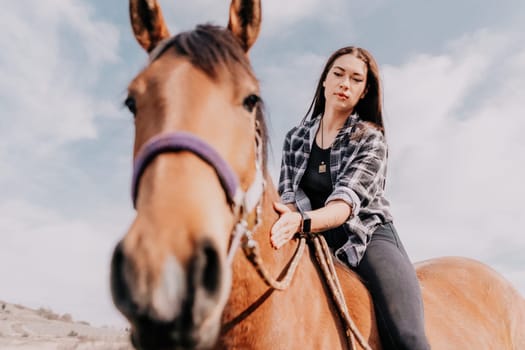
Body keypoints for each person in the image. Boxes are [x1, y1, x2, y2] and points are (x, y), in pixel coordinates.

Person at [270, 46, 430, 350]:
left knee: (408, 336)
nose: (345, 83)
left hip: (367, 236)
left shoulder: (371, 139)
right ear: (325, 81)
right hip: (313, 237)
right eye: (338, 74)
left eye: (356, 79)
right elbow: (289, 195)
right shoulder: (295, 138)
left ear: (363, 91)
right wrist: (281, 219)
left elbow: (344, 204)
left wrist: (300, 221)